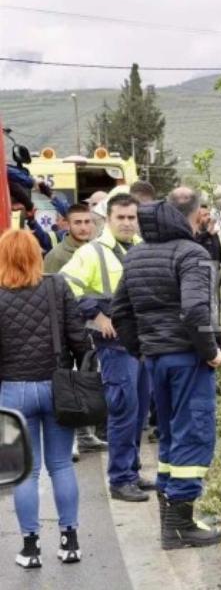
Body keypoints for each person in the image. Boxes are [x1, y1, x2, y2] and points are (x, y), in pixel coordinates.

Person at [112, 187, 221, 550]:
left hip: (156, 360)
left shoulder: (135, 255)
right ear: (191, 215)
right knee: (193, 434)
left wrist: (141, 350)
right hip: (187, 358)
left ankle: (174, 520)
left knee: (172, 436)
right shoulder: (192, 253)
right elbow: (194, 310)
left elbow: (120, 312)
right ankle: (179, 526)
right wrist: (211, 351)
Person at [0, 230, 91, 568]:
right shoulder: (57, 287)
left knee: (26, 471)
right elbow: (79, 340)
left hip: (12, 391)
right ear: (36, 255)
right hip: (57, 387)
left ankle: (30, 548)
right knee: (61, 465)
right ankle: (70, 542)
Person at [61, 194, 153, 502]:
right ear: (109, 220)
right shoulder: (92, 252)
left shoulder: (142, 248)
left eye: (131, 217)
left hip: (142, 342)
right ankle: (120, 479)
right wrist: (97, 315)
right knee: (124, 408)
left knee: (139, 410)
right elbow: (65, 285)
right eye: (120, 218)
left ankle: (132, 471)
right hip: (114, 345)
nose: (127, 223)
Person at [43, 204, 108, 459]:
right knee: (70, 384)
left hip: (95, 326)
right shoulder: (57, 256)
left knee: (89, 380)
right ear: (67, 225)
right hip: (68, 330)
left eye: (87, 221)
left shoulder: (99, 250)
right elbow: (48, 296)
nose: (83, 227)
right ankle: (71, 441)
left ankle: (86, 435)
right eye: (77, 222)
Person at [195, 198, 221, 274]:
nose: (209, 217)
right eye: (205, 215)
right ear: (196, 218)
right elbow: (195, 244)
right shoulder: (192, 234)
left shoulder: (213, 234)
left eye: (209, 214)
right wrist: (207, 234)